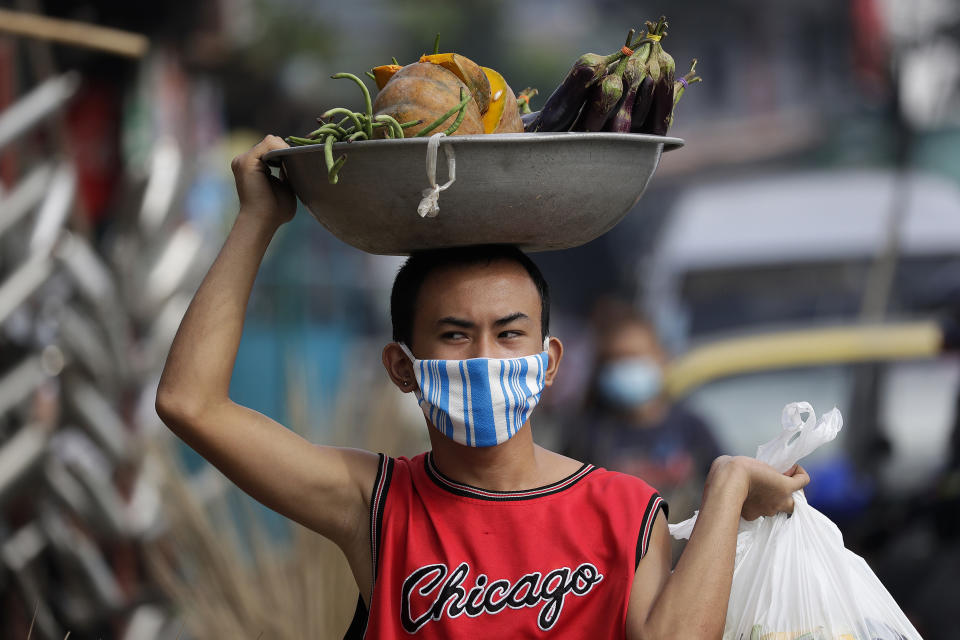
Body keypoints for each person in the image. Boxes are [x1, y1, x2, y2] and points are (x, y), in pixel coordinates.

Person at [155, 136, 809, 638]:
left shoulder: (625, 512)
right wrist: (255, 221)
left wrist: (726, 487)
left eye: (509, 332)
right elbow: (190, 403)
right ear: (402, 367)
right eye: (456, 334)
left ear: (550, 361)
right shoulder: (374, 503)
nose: (485, 357)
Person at [569, 304, 723, 520]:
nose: (625, 366)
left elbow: (721, 490)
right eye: (616, 359)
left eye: (634, 356)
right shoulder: (589, 434)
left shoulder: (692, 427)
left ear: (660, 357)